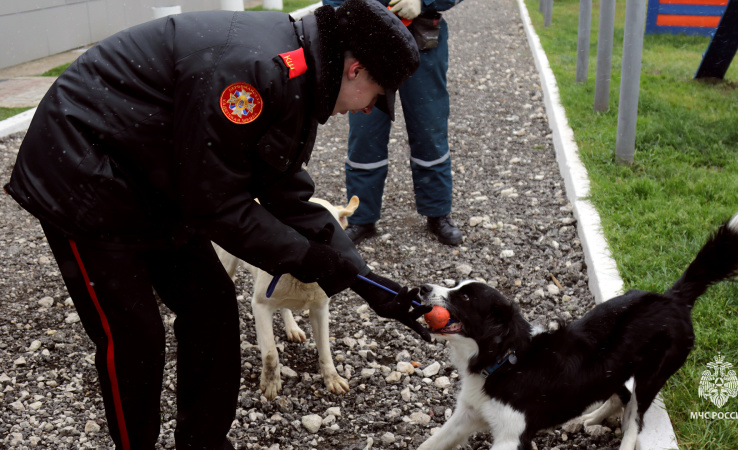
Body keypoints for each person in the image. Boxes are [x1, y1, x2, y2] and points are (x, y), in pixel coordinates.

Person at [4, 0, 432, 448]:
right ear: (356, 69)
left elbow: (285, 187)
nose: (371, 110)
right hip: (81, 173)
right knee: (134, 336)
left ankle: (203, 444)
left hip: (155, 175)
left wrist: (368, 283)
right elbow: (217, 207)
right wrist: (306, 259)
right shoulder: (250, 72)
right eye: (379, 96)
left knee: (211, 306)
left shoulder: (301, 73)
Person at [323, 0, 464, 246]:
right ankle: (361, 217)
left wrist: (423, 1)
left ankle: (437, 213)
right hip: (366, 42)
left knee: (429, 128)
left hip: (422, 39)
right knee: (365, 133)